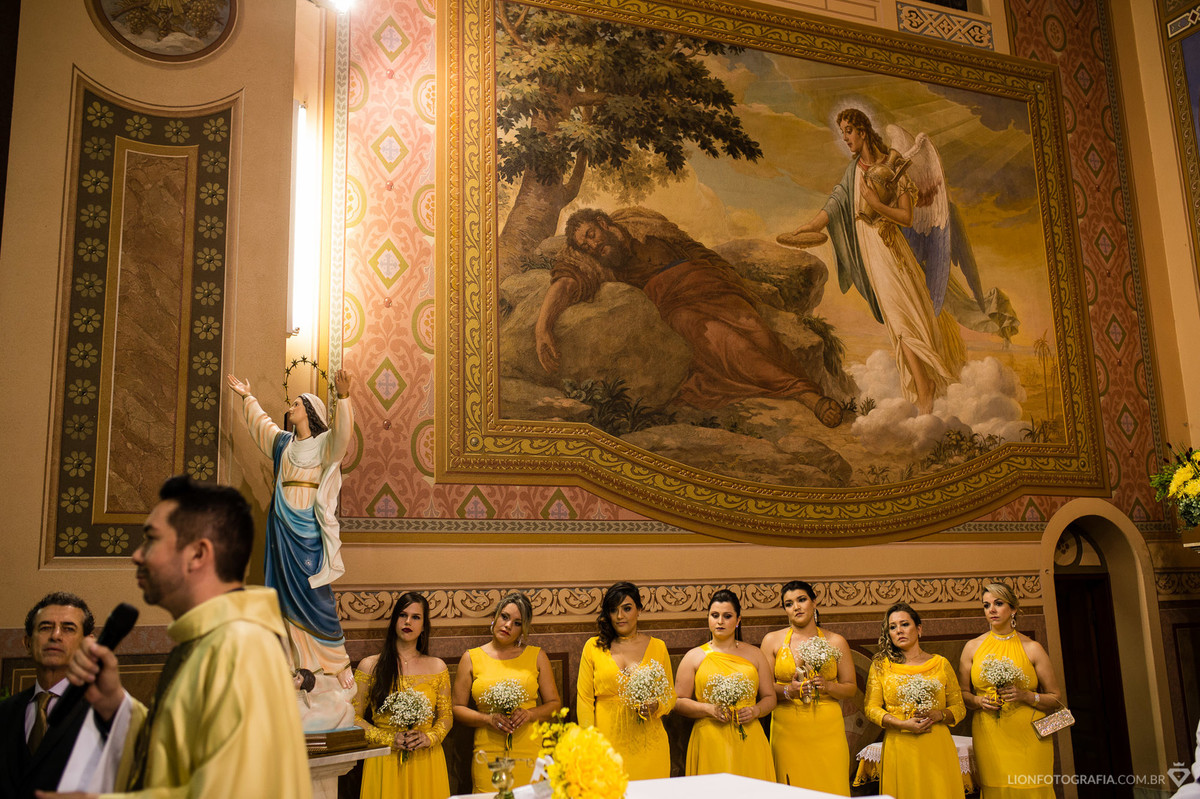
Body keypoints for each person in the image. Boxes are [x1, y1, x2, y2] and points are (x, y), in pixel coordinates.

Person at [42, 475, 311, 798]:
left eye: (151, 540)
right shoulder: (213, 640)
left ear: (197, 554)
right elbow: (178, 754)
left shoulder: (241, 647)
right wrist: (115, 703)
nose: (137, 556)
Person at [537, 207, 843, 427]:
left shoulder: (644, 226)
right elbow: (565, 282)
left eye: (591, 234)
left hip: (710, 285)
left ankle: (794, 385)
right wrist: (543, 328)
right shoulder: (597, 262)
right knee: (725, 342)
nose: (592, 244)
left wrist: (735, 280)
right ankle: (806, 396)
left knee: (758, 332)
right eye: (585, 244)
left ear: (602, 222)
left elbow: (696, 250)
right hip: (678, 307)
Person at [787, 108, 964, 414]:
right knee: (897, 322)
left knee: (903, 318)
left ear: (863, 131)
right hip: (872, 255)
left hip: (892, 253)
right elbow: (837, 201)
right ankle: (924, 387)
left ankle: (925, 389)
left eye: (848, 131)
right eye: (842, 132)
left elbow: (907, 218)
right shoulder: (854, 171)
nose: (845, 138)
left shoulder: (895, 169)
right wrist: (812, 226)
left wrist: (876, 204)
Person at [226, 370, 355, 691]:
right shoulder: (283, 444)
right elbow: (262, 427)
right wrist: (247, 396)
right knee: (281, 594)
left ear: (310, 412)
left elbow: (342, 436)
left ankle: (335, 659)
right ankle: (290, 659)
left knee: (316, 592)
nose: (291, 408)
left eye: (297, 404)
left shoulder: (325, 444)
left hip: (308, 530)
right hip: (281, 530)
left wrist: (344, 398)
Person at [452, 592, 562, 793]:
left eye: (517, 623)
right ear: (493, 618)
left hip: (530, 753)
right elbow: (457, 708)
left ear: (523, 629)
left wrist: (530, 714)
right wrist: (487, 719)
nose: (508, 625)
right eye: (504, 617)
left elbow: (554, 704)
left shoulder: (537, 656)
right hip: (487, 753)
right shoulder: (471, 658)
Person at [958, 582, 1060, 798]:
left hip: (1030, 736)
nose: (991, 610)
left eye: (998, 603)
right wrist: (979, 702)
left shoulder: (1032, 648)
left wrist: (1025, 695)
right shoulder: (973, 647)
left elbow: (1055, 698)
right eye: (986, 605)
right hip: (989, 735)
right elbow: (963, 693)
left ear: (1013, 609)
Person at [862, 602, 965, 799]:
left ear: (919, 629)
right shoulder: (881, 666)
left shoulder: (940, 664)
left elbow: (959, 707)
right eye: (892, 627)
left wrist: (940, 714)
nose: (899, 630)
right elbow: (871, 708)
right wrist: (901, 724)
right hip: (900, 745)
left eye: (904, 624)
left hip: (936, 745)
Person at [759, 580, 853, 794]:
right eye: (789, 603)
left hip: (827, 727)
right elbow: (763, 689)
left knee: (830, 787)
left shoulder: (836, 641)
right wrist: (788, 691)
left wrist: (827, 685)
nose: (796, 607)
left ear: (814, 602)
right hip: (787, 727)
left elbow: (850, 688)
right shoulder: (771, 640)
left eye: (802, 600)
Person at [354, 592, 451, 799]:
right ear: (394, 621)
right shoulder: (370, 666)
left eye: (416, 617)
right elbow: (353, 718)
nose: (408, 621)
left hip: (426, 760)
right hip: (384, 760)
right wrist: (389, 738)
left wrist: (430, 737)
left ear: (424, 626)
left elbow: (446, 716)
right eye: (402, 615)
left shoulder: (437, 666)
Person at [576, 582, 675, 780]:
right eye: (614, 610)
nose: (620, 616)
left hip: (650, 745)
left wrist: (656, 705)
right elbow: (584, 700)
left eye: (627, 609)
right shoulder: (593, 647)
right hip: (607, 743)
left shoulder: (658, 647)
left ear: (639, 610)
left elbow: (670, 695)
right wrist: (590, 742)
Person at [675, 589, 776, 780]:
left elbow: (770, 698)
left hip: (749, 737)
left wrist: (755, 711)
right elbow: (678, 701)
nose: (720, 621)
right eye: (715, 615)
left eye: (727, 616)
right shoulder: (694, 657)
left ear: (738, 620)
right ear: (708, 619)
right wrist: (709, 709)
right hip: (709, 739)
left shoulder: (755, 654)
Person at [0, 593, 94, 797]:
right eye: (45, 627)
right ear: (27, 642)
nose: (55, 635)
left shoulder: (106, 714)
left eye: (68, 628)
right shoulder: (5, 712)